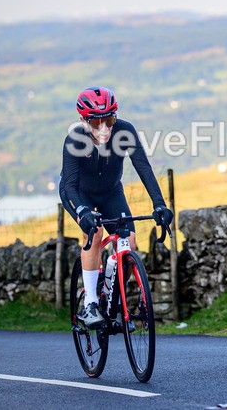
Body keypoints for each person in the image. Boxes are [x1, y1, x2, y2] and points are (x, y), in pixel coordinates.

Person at [60, 87, 173, 329]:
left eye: (109, 120)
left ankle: (115, 300)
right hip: (79, 194)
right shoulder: (75, 140)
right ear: (83, 120)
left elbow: (143, 167)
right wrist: (82, 212)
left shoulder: (125, 131)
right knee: (95, 232)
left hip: (111, 191)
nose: (104, 128)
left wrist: (160, 204)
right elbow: (69, 186)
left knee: (129, 243)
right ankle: (90, 302)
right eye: (97, 122)